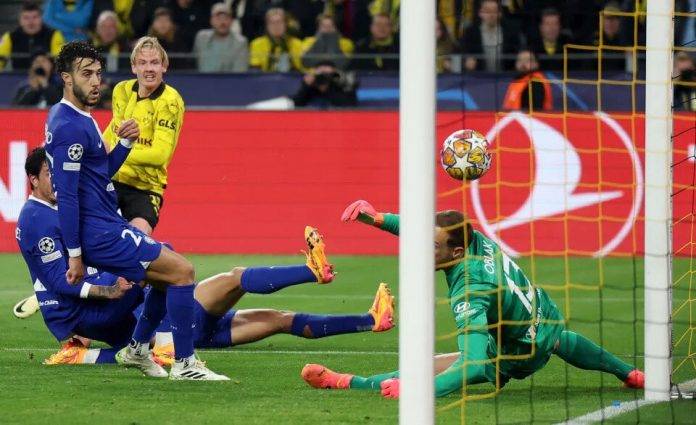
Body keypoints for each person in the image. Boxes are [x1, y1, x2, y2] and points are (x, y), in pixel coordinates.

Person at [17, 148, 394, 367]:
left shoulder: (61, 224)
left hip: (171, 330)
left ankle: (370, 320)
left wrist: (83, 353)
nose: (62, 180)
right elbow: (68, 282)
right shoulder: (40, 219)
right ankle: (313, 270)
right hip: (170, 321)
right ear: (33, 179)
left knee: (281, 320)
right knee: (233, 277)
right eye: (51, 173)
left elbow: (69, 289)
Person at [301, 200, 645, 398]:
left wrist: (418, 394)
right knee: (560, 339)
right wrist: (376, 218)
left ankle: (346, 381)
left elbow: (474, 364)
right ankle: (630, 373)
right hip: (544, 316)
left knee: (422, 370)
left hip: (515, 352)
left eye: (433, 247)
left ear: (456, 251)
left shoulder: (469, 290)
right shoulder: (475, 239)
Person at [44, 40, 223, 380]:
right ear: (67, 78)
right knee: (183, 272)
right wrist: (75, 255)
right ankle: (184, 364)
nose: (96, 81)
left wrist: (124, 144)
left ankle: (138, 349)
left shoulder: (78, 118)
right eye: (87, 74)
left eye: (98, 73)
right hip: (100, 231)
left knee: (165, 269)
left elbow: (99, 173)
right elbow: (66, 196)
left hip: (107, 220)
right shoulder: (71, 126)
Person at [103, 36, 184, 236]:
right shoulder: (121, 90)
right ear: (133, 67)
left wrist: (116, 155)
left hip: (145, 188)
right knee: (90, 238)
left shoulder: (170, 102)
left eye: (155, 63)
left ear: (164, 66)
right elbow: (112, 133)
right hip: (111, 181)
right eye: (143, 63)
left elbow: (159, 156)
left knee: (134, 244)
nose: (149, 69)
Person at [0, 1, 65, 71]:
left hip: (48, 79)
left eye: (35, 17)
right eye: (26, 18)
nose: (31, 22)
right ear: (20, 20)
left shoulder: (54, 35)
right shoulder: (10, 37)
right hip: (18, 79)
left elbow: (61, 62)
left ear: (41, 19)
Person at [460, 0, 519, 72]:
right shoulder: (470, 33)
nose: (491, 15)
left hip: (505, 78)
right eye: (487, 11)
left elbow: (517, 54)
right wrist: (466, 61)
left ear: (500, 14)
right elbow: (462, 52)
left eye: (494, 11)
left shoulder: (510, 32)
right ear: (480, 13)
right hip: (478, 79)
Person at [193, 3, 249, 73]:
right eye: (218, 18)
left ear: (231, 21)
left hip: (230, 82)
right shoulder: (201, 38)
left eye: (226, 18)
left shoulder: (240, 42)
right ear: (211, 20)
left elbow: (239, 74)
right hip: (201, 82)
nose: (222, 22)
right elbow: (193, 64)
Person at [249, 8, 304, 72]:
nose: (276, 26)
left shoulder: (297, 44)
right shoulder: (257, 44)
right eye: (272, 23)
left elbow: (301, 69)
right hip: (264, 80)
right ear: (267, 26)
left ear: (285, 24)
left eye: (279, 22)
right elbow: (255, 69)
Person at [292, 60, 357, 108]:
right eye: (321, 74)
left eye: (326, 74)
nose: (322, 77)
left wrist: (327, 89)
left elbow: (349, 106)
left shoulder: (340, 84)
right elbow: (297, 104)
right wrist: (306, 86)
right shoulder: (311, 86)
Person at [528, 8, 571, 72]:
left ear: (560, 27)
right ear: (541, 27)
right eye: (547, 24)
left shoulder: (570, 47)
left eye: (555, 24)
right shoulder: (531, 48)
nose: (552, 28)